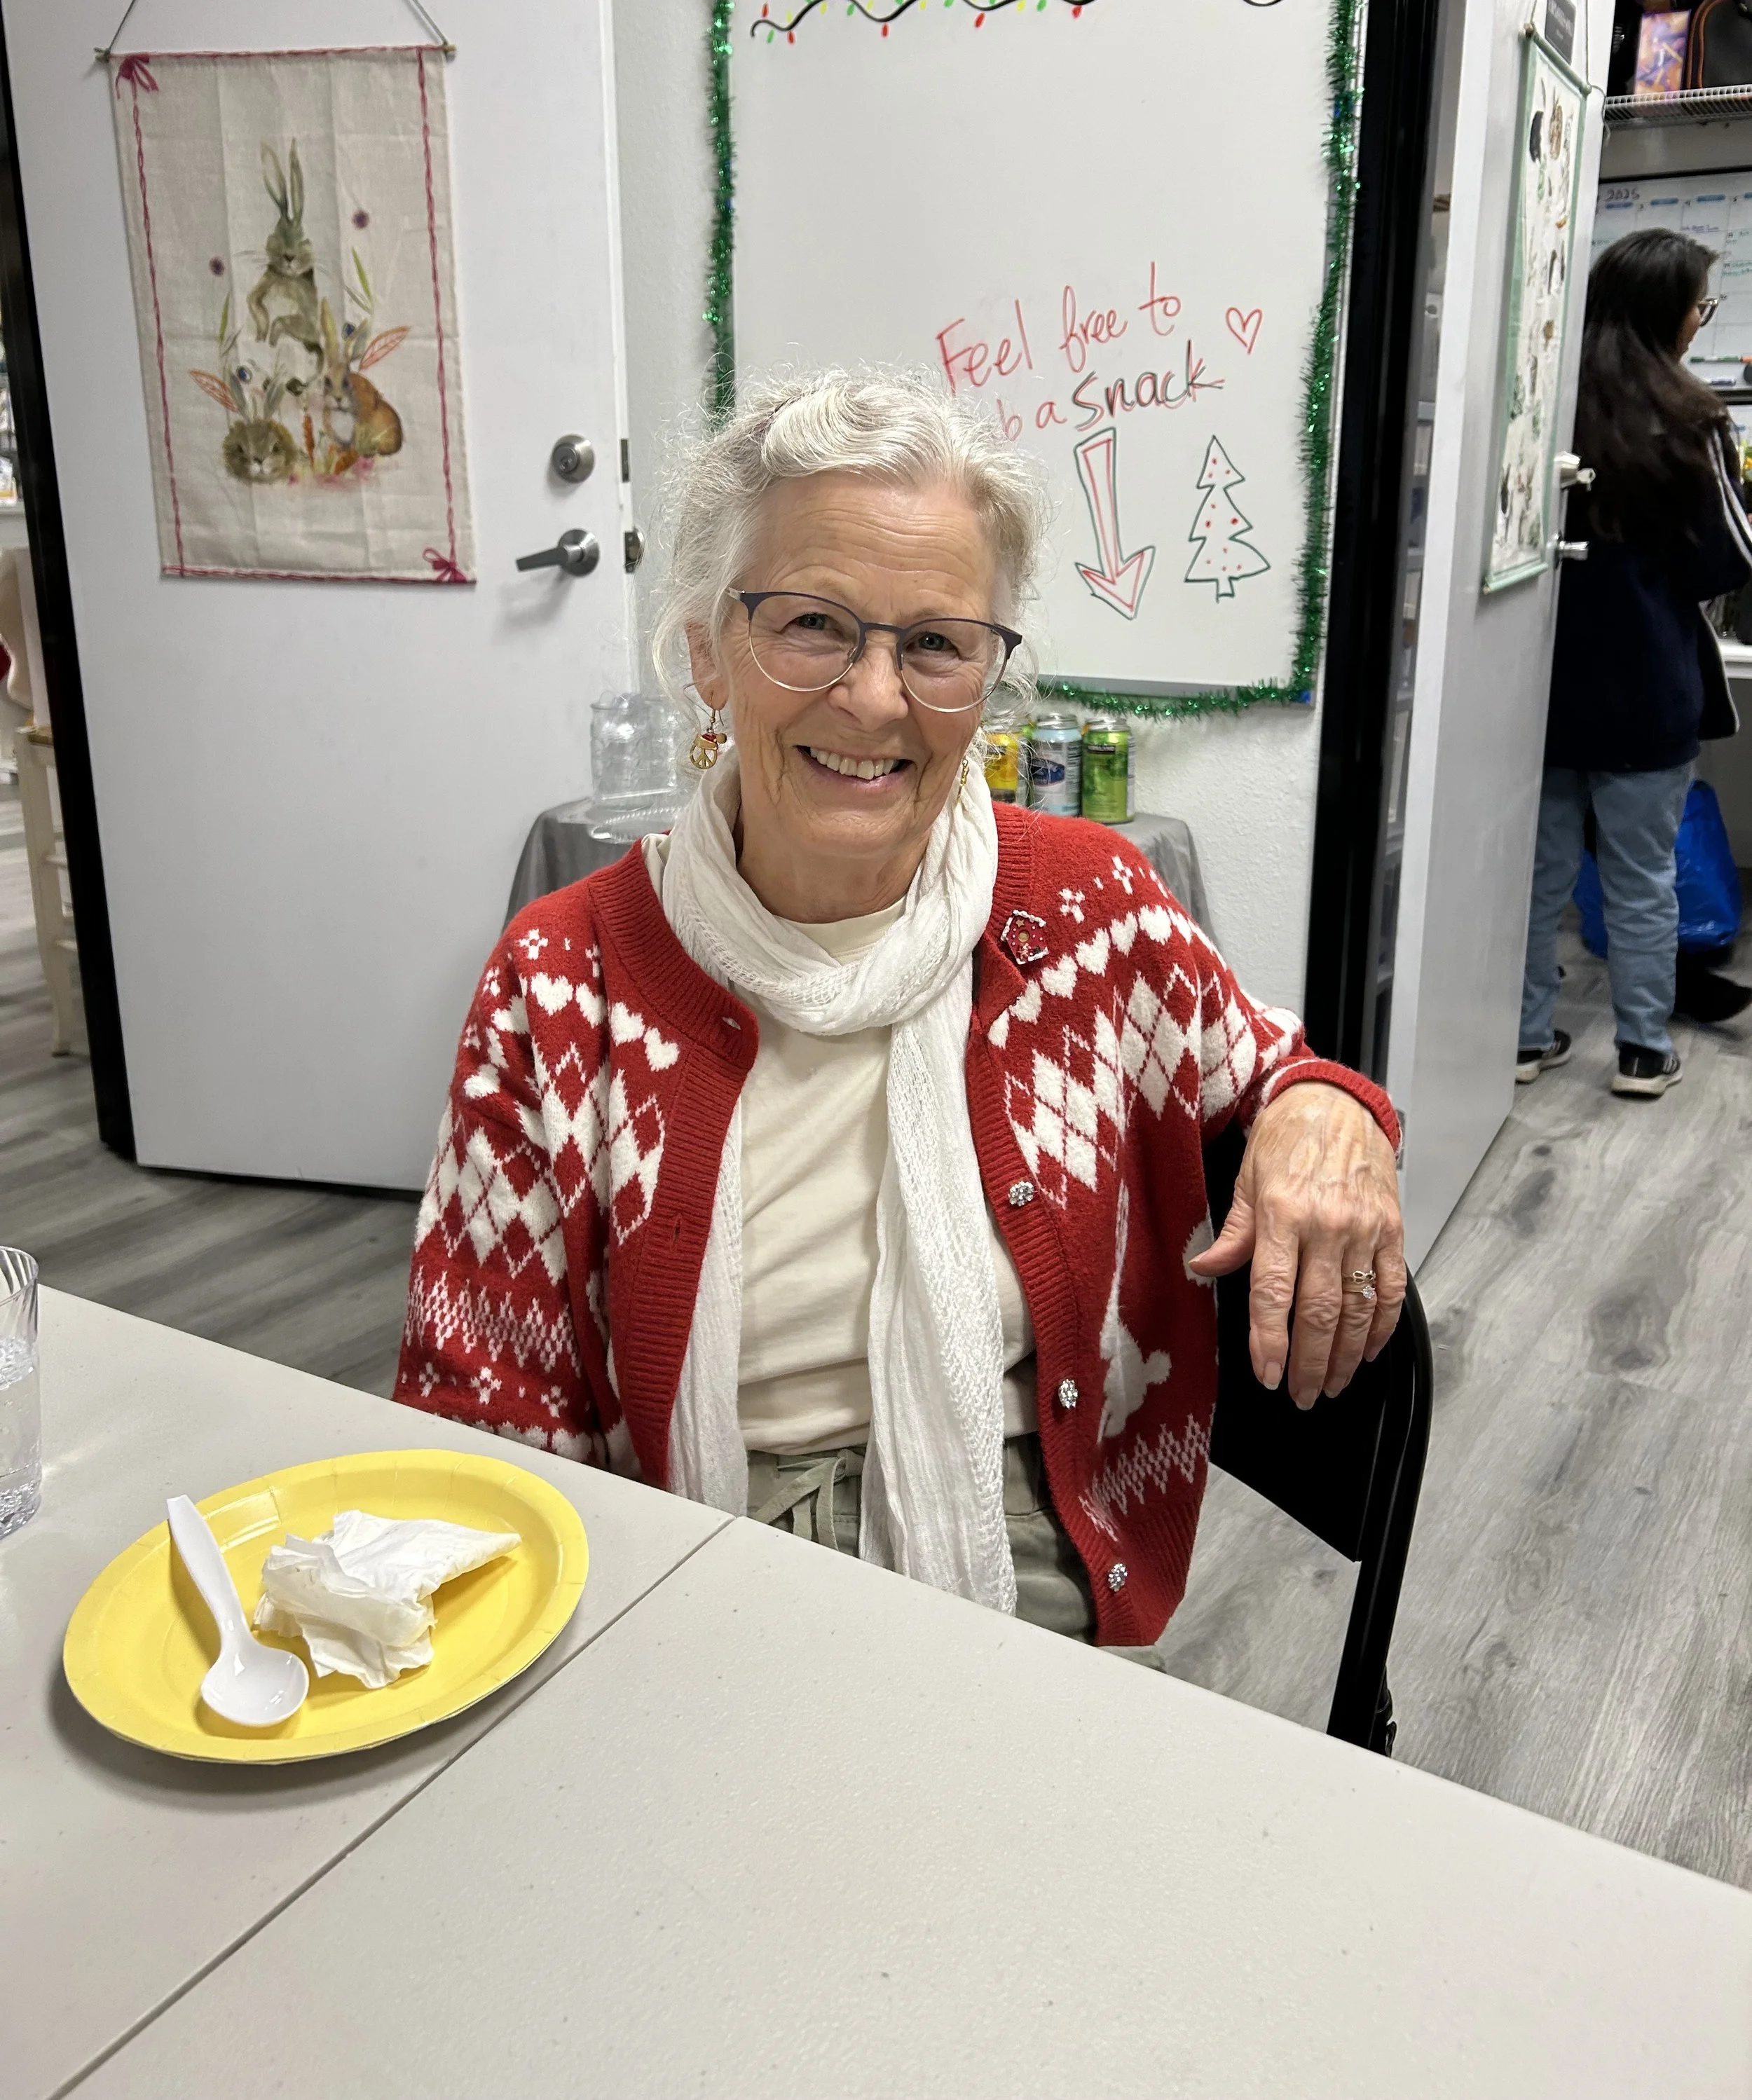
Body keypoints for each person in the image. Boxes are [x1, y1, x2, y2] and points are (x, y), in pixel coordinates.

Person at [395, 373, 1404, 1656]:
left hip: (1011, 1513)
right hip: (662, 1524)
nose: (876, 699)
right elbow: (476, 1404)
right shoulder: (562, 978)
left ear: (987, 675)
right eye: (813, 624)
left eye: (936, 643)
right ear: (706, 650)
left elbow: (1273, 1070)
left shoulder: (1087, 911)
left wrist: (1328, 1109)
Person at [1519, 231, 1752, 1101]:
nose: (1702, 322)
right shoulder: (1692, 420)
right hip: (1647, 691)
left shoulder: (1541, 406)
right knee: (1641, 880)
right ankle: (1644, 1051)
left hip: (1539, 694)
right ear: (1667, 314)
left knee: (1536, 877)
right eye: (1700, 306)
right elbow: (1726, 562)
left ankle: (1522, 1036)